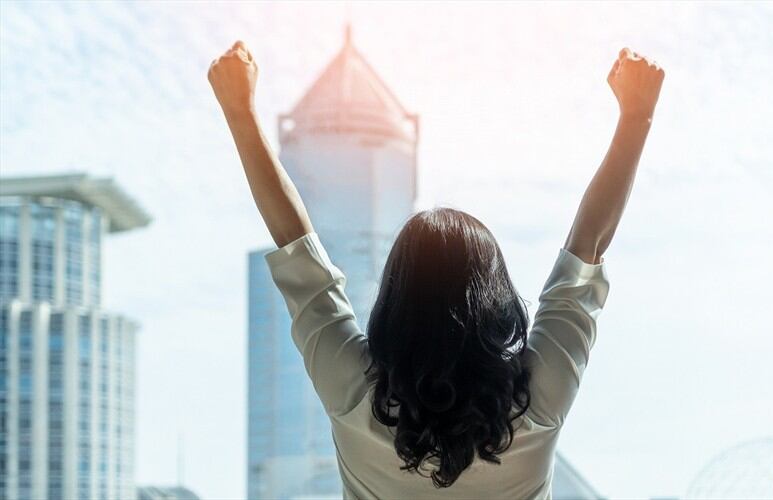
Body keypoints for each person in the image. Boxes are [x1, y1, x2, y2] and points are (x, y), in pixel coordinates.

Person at [209, 40, 663, 500]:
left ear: (393, 300)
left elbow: (295, 242)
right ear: (497, 298)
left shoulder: (352, 392)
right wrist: (636, 117)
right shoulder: (538, 398)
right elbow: (587, 248)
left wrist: (239, 111)